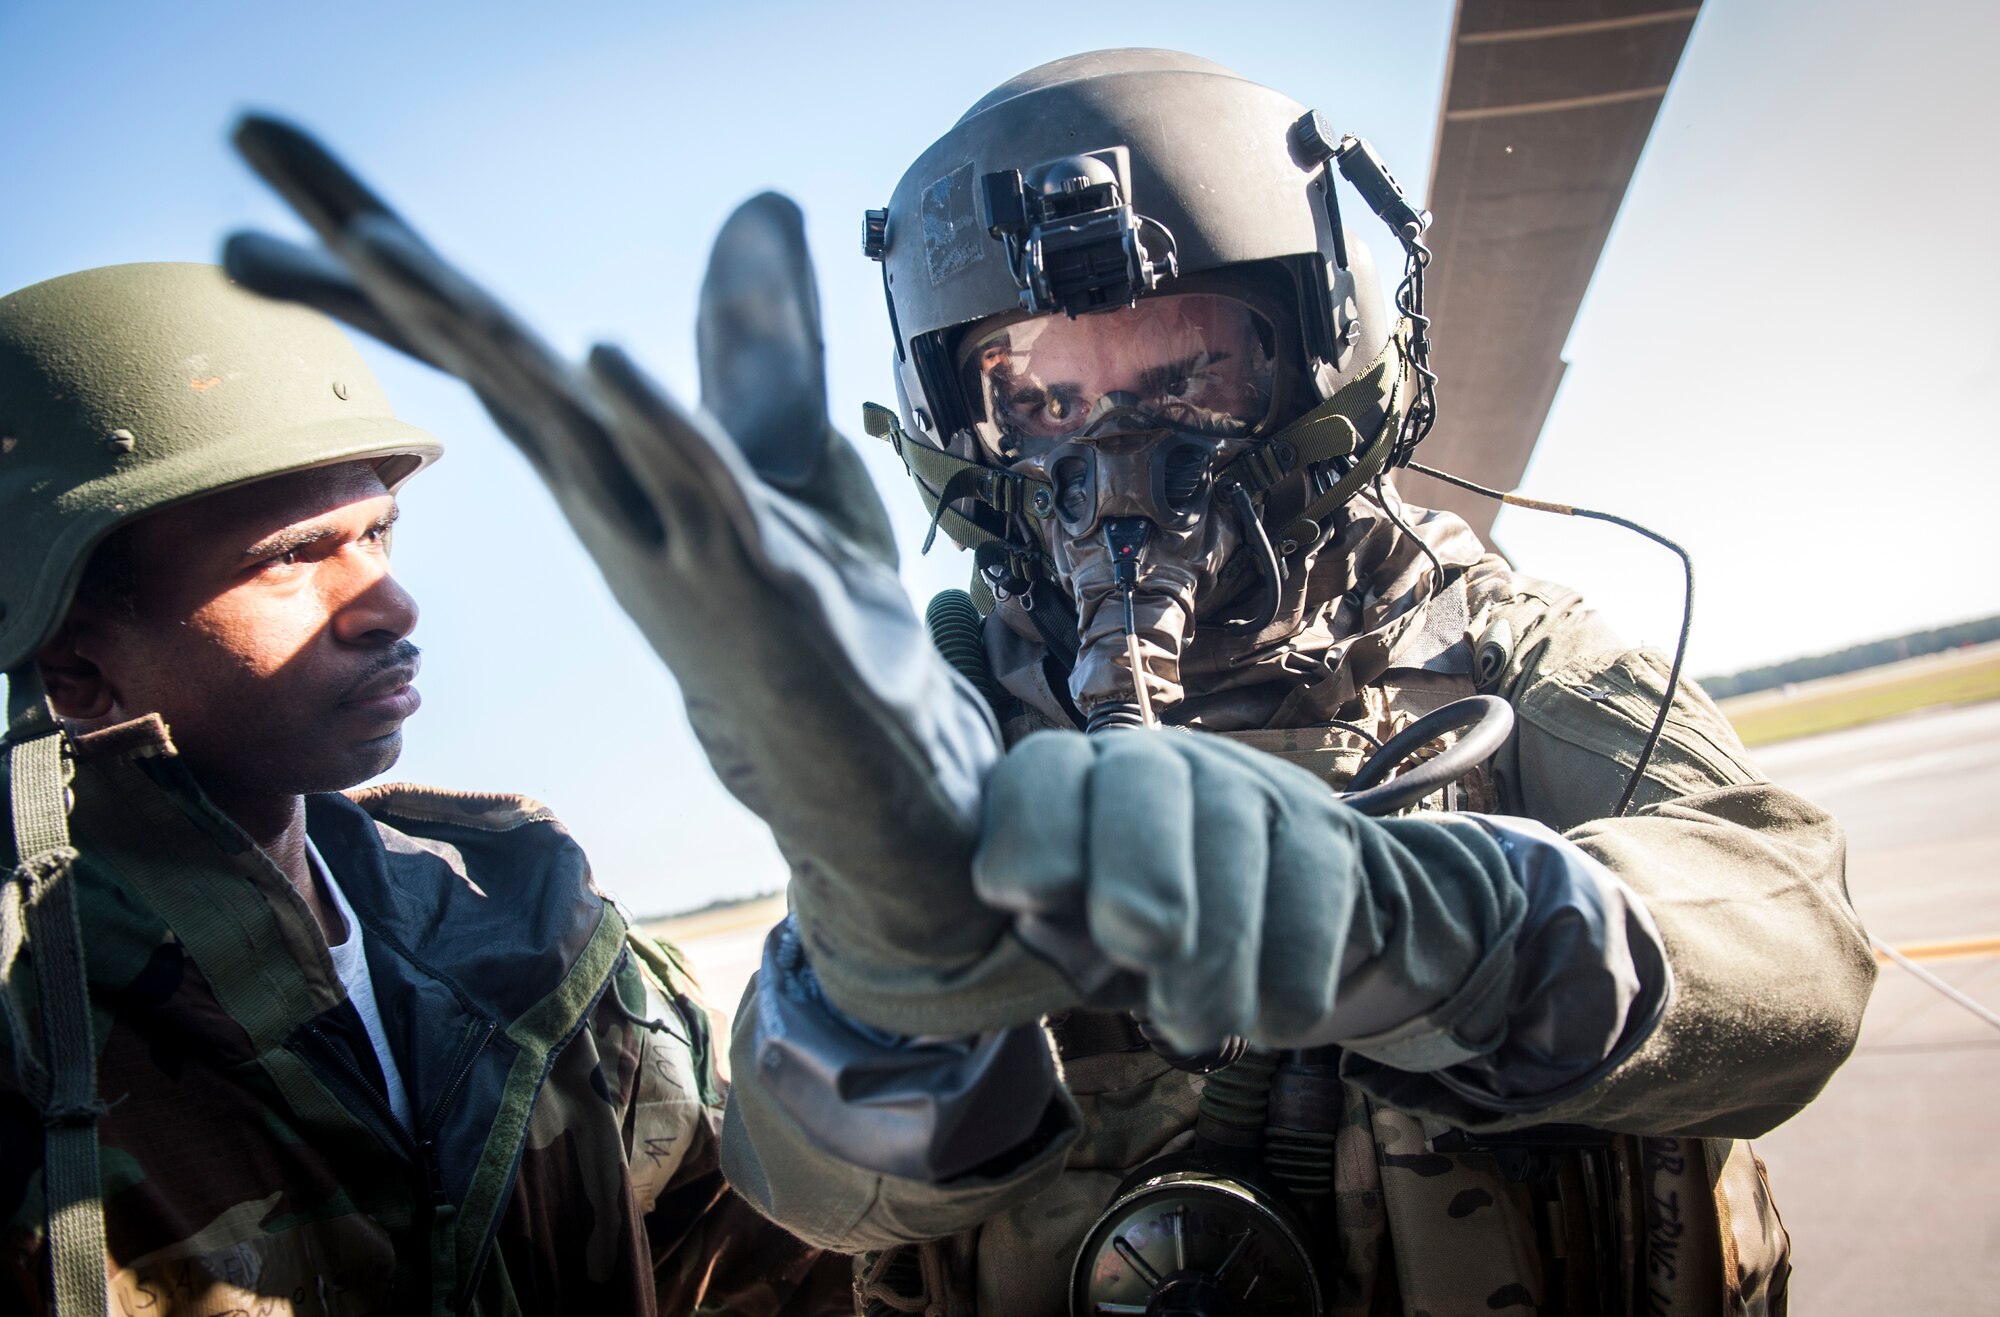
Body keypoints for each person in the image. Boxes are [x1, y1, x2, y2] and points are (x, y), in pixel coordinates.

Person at [711, 51, 1876, 1316]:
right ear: (963, 429)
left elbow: (1797, 957)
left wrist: (1456, 934)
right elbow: (803, 1189)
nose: (1116, 460)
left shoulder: (1493, 642)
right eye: (1042, 400)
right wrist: (888, 1017)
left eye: (1186, 376)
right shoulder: (943, 747)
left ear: (1321, 355)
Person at [0, 262, 845, 1314]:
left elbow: (782, 1261)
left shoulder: (529, 933)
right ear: (73, 664)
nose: (389, 604)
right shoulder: (26, 1024)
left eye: (376, 532)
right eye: (291, 556)